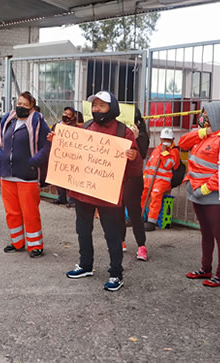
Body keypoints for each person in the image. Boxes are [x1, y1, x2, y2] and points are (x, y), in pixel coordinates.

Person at [63, 91, 142, 291]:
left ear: (112, 108)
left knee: (113, 234)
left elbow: (136, 169)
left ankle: (116, 273)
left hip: (109, 193)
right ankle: (85, 265)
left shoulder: (123, 132)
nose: (97, 109)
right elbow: (74, 152)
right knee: (83, 229)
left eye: (102, 106)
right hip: (84, 191)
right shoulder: (87, 126)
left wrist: (133, 157)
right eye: (95, 105)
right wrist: (59, 141)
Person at [0, 91, 51, 258]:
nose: (21, 107)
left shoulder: (38, 122)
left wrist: (34, 161)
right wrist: (0, 155)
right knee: (12, 212)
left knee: (30, 212)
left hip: (27, 176)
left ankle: (35, 246)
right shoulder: (8, 121)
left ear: (32, 107)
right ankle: (17, 242)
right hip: (7, 175)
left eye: (25, 105)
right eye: (19, 103)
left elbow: (47, 145)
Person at [179, 102, 220, 287]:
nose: (202, 118)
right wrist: (203, 132)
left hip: (213, 195)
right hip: (196, 191)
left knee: (219, 234)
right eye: (202, 114)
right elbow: (182, 143)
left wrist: (206, 189)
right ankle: (205, 268)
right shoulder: (204, 136)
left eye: (206, 115)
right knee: (205, 233)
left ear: (217, 116)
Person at [121, 107, 150, 258]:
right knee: (117, 211)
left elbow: (143, 154)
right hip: (117, 177)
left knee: (134, 212)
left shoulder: (141, 134)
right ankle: (121, 241)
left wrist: (137, 138)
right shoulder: (116, 130)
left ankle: (141, 245)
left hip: (133, 178)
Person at [141, 127, 180, 233]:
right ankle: (140, 217)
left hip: (162, 182)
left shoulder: (174, 151)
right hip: (150, 180)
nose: (166, 142)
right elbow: (149, 164)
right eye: (164, 140)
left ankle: (151, 222)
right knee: (142, 195)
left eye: (168, 140)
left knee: (155, 196)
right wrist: (144, 177)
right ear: (160, 139)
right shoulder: (157, 149)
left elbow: (169, 165)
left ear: (172, 139)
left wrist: (164, 153)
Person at [52, 106, 79, 207]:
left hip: (69, 155)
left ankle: (71, 199)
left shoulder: (74, 127)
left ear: (72, 117)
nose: (66, 116)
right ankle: (61, 197)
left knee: (69, 178)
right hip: (58, 154)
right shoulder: (57, 125)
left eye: (69, 115)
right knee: (58, 178)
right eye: (65, 113)